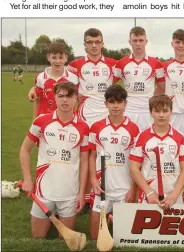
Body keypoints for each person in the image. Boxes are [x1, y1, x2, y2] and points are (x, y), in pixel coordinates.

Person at [19, 82, 89, 238]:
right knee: (38, 236)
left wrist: (81, 193)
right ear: (54, 98)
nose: (65, 100)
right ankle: (50, 216)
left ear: (76, 98)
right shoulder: (41, 121)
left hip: (69, 194)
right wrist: (27, 180)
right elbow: (25, 150)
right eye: (61, 96)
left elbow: (84, 161)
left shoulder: (84, 127)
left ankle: (58, 214)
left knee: (64, 238)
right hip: (43, 192)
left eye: (69, 96)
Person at [68, 28, 119, 208]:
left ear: (103, 43)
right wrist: (34, 88)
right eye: (90, 42)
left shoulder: (113, 64)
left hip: (106, 115)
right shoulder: (76, 64)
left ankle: (101, 192)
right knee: (83, 155)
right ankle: (82, 195)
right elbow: (64, 85)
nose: (94, 45)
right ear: (85, 45)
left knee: (102, 155)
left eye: (97, 42)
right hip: (84, 115)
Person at [87, 84, 140, 240]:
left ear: (125, 103)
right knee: (95, 237)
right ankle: (109, 217)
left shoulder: (134, 129)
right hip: (102, 188)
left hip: (124, 189)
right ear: (106, 104)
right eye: (111, 102)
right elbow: (91, 155)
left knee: (124, 237)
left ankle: (112, 218)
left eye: (119, 102)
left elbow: (136, 163)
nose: (115, 106)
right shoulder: (96, 127)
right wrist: (93, 179)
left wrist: (133, 189)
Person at [128, 95, 184, 209]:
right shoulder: (141, 137)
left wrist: (175, 194)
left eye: (165, 111)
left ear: (171, 112)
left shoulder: (180, 138)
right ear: (151, 113)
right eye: (157, 111)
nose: (161, 115)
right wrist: (149, 192)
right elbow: (134, 168)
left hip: (174, 197)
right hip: (149, 197)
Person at [114, 26, 165, 132]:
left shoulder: (155, 63)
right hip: (128, 111)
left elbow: (162, 87)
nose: (138, 44)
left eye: (141, 40)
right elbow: (109, 84)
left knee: (147, 143)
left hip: (148, 112)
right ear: (130, 42)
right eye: (135, 40)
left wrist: (151, 98)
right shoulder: (121, 63)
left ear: (146, 42)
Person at [27, 42, 79, 117]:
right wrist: (35, 122)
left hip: (65, 122)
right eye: (54, 57)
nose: (57, 61)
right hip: (44, 122)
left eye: (61, 57)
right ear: (48, 57)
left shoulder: (73, 78)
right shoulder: (40, 77)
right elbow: (37, 102)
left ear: (66, 58)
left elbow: (78, 100)